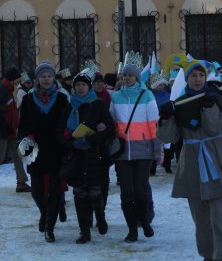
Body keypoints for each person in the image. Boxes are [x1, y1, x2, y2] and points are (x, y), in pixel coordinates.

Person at [157, 60, 222, 261]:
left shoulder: (216, 99)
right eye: (193, 75)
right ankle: (209, 258)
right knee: (201, 221)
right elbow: (168, 137)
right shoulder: (180, 103)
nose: (198, 79)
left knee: (220, 217)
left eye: (201, 75)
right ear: (187, 79)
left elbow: (214, 129)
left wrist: (210, 105)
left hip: (220, 161)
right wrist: (165, 118)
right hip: (192, 165)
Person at [57, 70, 115, 243]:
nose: (80, 88)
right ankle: (84, 231)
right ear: (73, 88)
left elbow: (110, 128)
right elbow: (59, 131)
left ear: (88, 87)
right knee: (80, 193)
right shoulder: (69, 106)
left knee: (96, 193)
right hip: (76, 157)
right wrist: (71, 143)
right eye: (77, 85)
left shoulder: (97, 104)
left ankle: (100, 216)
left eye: (83, 85)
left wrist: (91, 140)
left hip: (95, 155)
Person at [108, 53, 161, 243]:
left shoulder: (147, 95)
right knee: (126, 193)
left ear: (137, 77)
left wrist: (157, 150)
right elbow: (112, 123)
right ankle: (132, 229)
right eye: (124, 75)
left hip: (143, 150)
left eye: (130, 75)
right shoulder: (116, 97)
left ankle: (145, 221)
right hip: (122, 152)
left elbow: (154, 124)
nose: (126, 78)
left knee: (141, 190)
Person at [18, 61, 69, 242]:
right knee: (37, 191)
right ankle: (45, 212)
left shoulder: (63, 99)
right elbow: (22, 125)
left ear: (53, 78)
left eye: (49, 76)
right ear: (37, 79)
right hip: (35, 150)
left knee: (55, 190)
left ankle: (50, 226)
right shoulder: (28, 99)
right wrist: (27, 137)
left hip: (56, 149)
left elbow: (67, 124)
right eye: (43, 76)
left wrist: (66, 138)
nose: (46, 79)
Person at [0, 67, 30, 193]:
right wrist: (7, 126)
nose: (18, 81)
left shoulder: (7, 89)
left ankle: (21, 182)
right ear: (13, 79)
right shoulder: (3, 90)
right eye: (17, 79)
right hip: (4, 131)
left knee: (17, 156)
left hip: (10, 130)